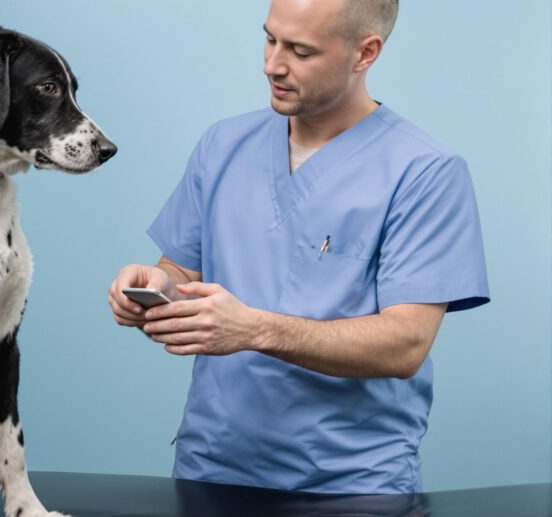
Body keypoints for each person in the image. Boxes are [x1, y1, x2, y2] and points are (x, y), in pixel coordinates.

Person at [108, 0, 489, 494]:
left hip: (349, 484)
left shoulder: (425, 172)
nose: (272, 64)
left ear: (365, 52)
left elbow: (406, 344)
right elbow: (182, 270)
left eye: (300, 51)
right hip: (211, 467)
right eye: (270, 39)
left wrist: (254, 330)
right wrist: (158, 285)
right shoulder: (223, 145)